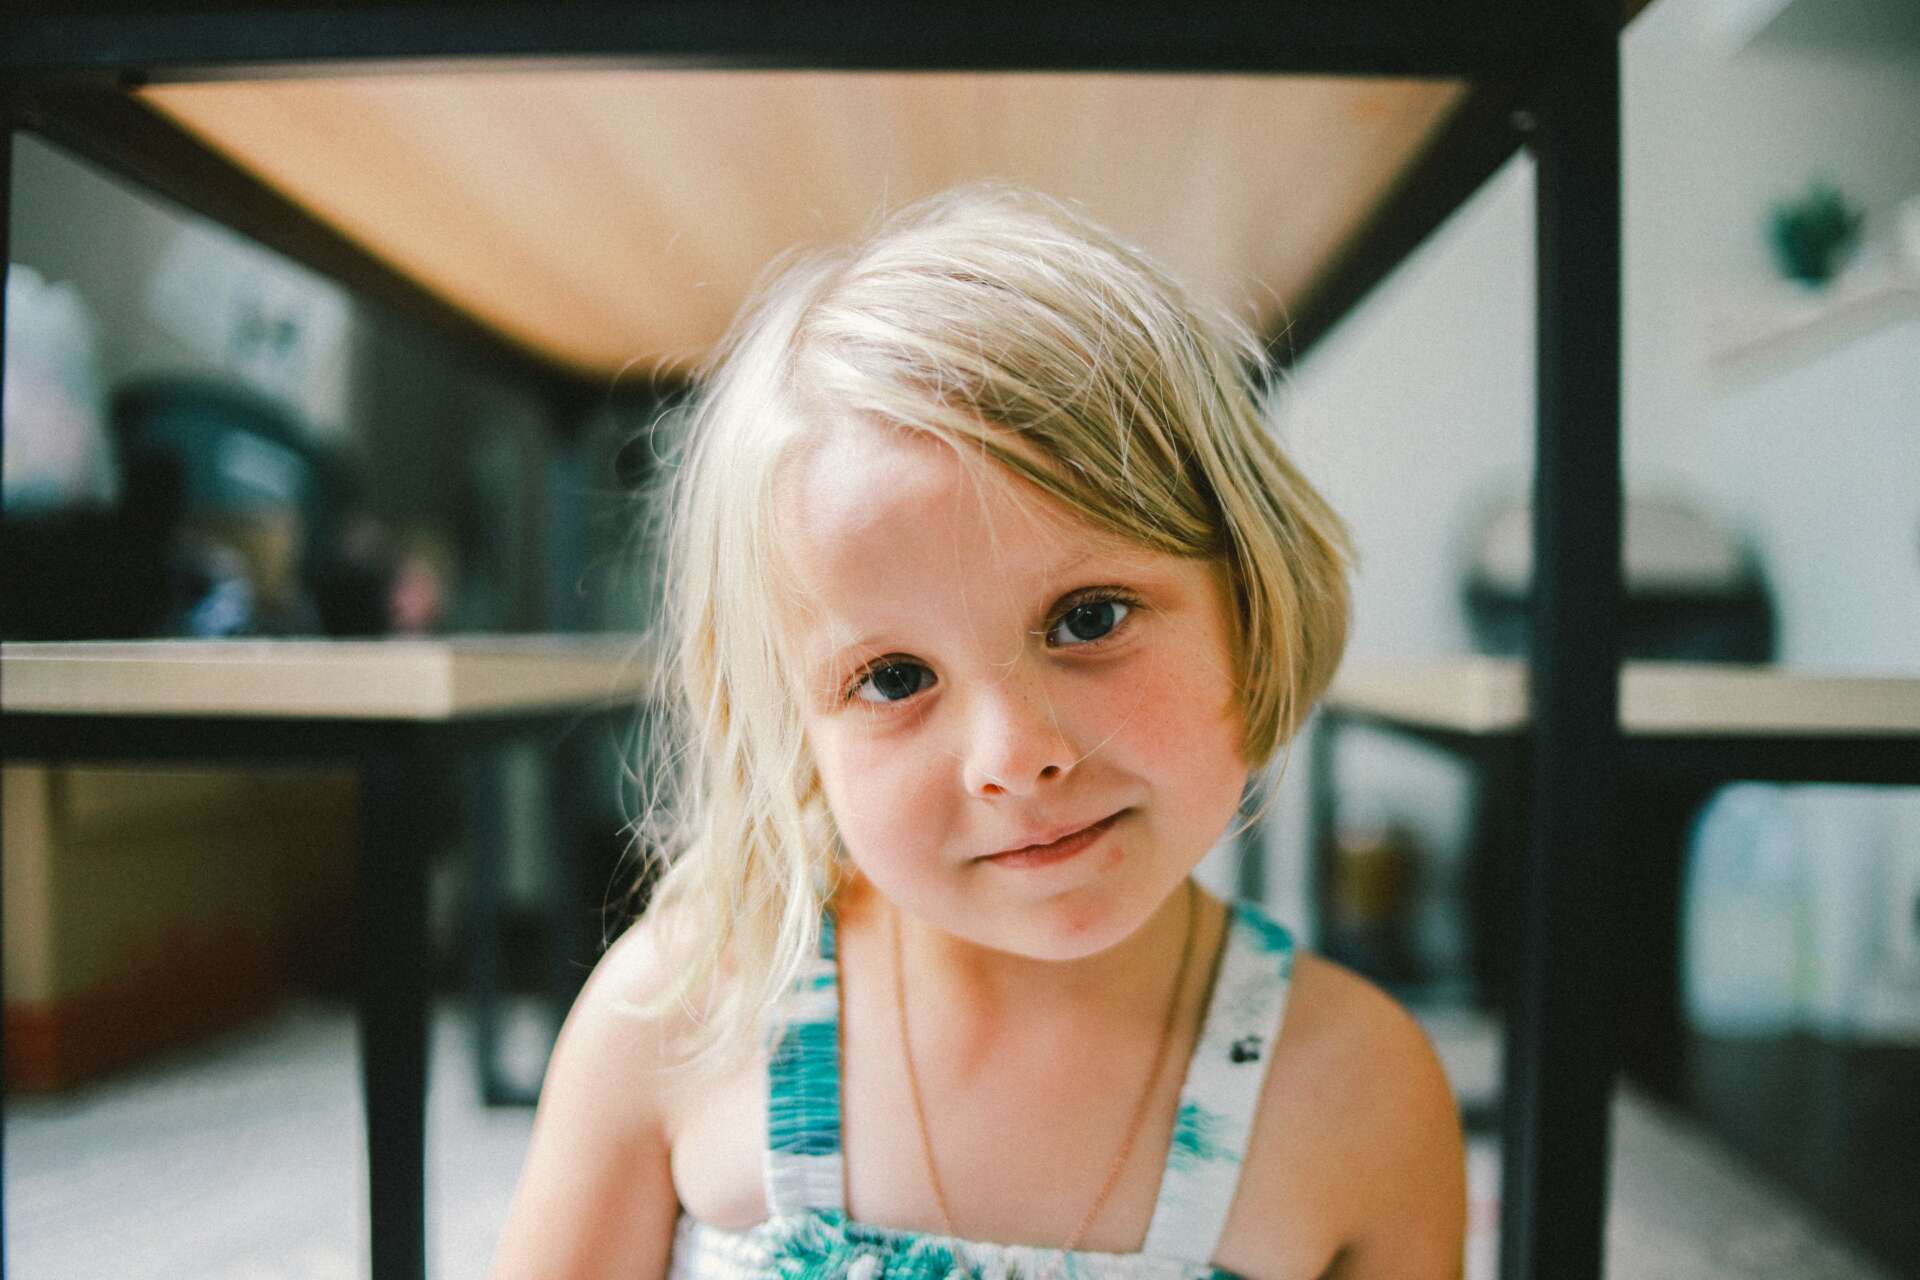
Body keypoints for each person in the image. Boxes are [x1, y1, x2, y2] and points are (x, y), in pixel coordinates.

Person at [493, 183, 1465, 1279]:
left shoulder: (1359, 1094)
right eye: (894, 677)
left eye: (1088, 618)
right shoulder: (678, 1015)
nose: (1014, 756)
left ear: (1251, 599)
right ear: (787, 726)